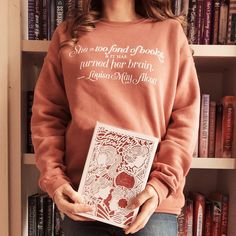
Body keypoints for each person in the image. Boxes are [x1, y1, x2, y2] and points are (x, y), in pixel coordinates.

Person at [31, 0, 200, 235]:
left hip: (151, 205)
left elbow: (186, 117)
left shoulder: (169, 32)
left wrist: (161, 183)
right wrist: (54, 180)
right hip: (83, 199)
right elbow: (47, 115)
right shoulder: (67, 33)